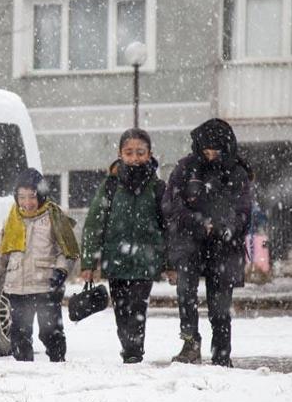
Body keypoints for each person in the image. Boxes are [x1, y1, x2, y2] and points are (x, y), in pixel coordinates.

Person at [162, 118, 251, 367]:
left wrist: (224, 227)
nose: (210, 153)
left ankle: (222, 353)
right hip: (190, 244)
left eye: (216, 147)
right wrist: (198, 223)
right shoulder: (186, 168)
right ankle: (190, 343)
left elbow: (243, 210)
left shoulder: (237, 172)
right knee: (186, 296)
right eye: (206, 147)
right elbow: (171, 203)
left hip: (225, 247)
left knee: (220, 305)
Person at [80, 128, 168, 364]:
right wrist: (88, 262)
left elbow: (169, 227)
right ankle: (128, 346)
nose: (135, 157)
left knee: (138, 308)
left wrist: (170, 263)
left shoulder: (158, 188)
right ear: (120, 154)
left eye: (140, 152)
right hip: (116, 260)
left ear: (149, 154)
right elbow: (93, 224)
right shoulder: (110, 186)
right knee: (121, 311)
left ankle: (134, 351)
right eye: (129, 152)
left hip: (145, 261)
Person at [0, 168, 79, 362]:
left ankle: (58, 363)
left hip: (47, 287)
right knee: (19, 334)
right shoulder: (12, 220)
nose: (27, 203)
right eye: (21, 197)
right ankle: (24, 369)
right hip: (18, 288)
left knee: (50, 332)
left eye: (32, 197)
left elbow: (67, 251)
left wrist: (60, 271)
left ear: (41, 196)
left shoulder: (53, 217)